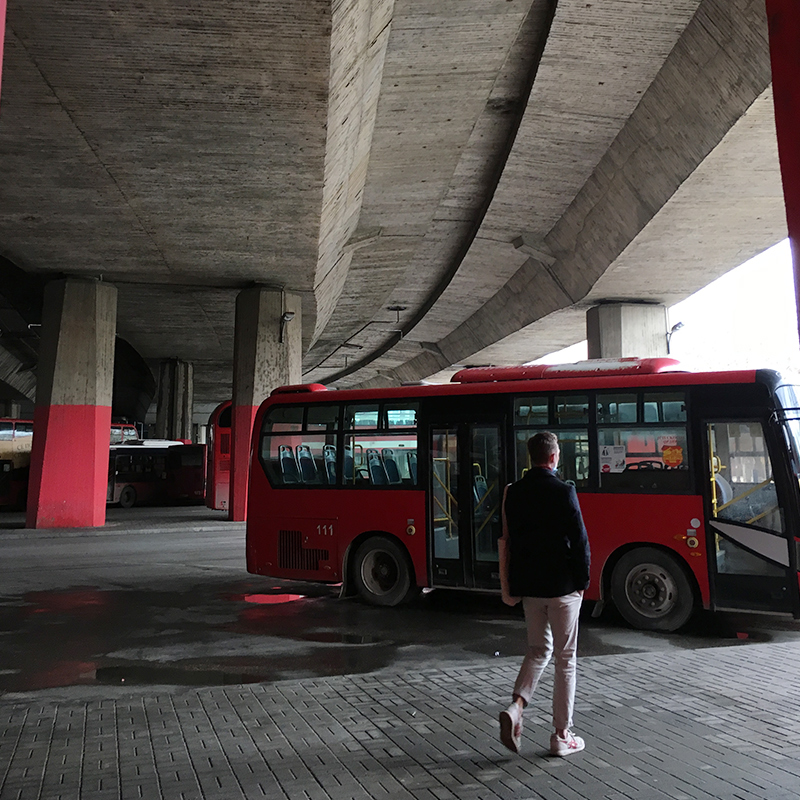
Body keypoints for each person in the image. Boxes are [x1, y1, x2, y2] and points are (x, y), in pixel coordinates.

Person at [498, 431, 591, 757]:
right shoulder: (564, 491)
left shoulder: (515, 492)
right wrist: (583, 582)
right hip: (562, 588)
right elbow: (579, 541)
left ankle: (517, 708)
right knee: (565, 659)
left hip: (530, 589)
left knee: (538, 650)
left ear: (530, 457)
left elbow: (512, 539)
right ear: (554, 458)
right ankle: (561, 735)